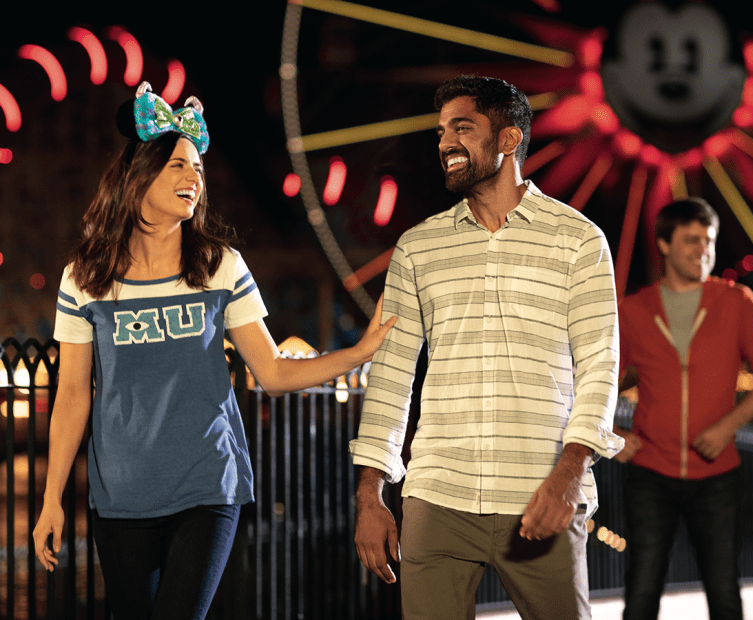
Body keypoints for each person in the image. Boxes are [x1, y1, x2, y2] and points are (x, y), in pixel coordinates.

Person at [32, 82, 395, 620]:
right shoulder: (84, 279)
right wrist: (50, 499)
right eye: (178, 165)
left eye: (198, 168)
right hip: (121, 497)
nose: (193, 178)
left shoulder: (219, 265)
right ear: (139, 175)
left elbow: (271, 371)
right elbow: (70, 398)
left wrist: (359, 353)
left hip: (208, 485)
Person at [349, 75, 622, 620]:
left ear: (508, 140)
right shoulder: (417, 248)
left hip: (540, 493)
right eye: (442, 131)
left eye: (463, 128)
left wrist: (568, 476)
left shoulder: (579, 240)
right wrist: (370, 495)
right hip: (436, 496)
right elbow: (392, 375)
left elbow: (600, 366)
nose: (446, 142)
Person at [614, 197, 753, 620]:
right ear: (663, 244)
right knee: (641, 595)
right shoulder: (634, 310)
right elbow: (594, 381)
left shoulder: (737, 301)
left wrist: (729, 425)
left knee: (725, 595)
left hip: (718, 476)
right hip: (649, 473)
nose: (703, 249)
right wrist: (611, 436)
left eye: (708, 240)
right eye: (691, 240)